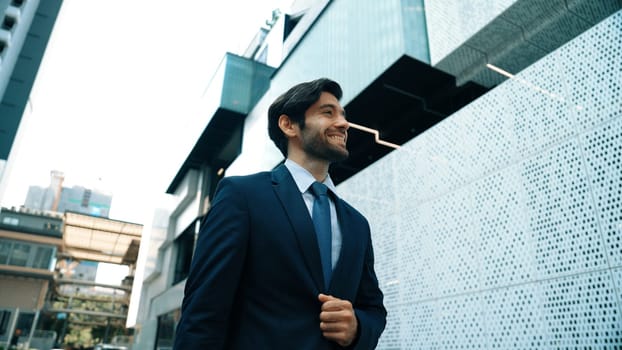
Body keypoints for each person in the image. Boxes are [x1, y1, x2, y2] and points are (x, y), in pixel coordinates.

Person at [174, 78, 386, 349]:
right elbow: (203, 312)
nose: (344, 123)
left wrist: (357, 326)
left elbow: (373, 309)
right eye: (328, 112)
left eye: (343, 115)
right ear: (288, 125)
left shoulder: (358, 223)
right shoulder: (242, 196)